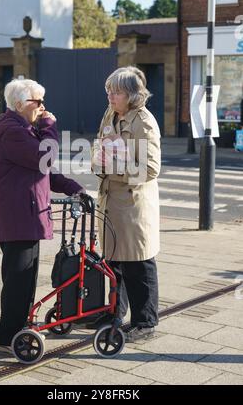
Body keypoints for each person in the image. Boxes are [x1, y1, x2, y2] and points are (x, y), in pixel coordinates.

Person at [0, 78, 83, 352]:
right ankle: (7, 336)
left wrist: (73, 187)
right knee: (18, 279)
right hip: (18, 215)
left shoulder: (23, 129)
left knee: (26, 276)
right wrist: (50, 127)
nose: (43, 107)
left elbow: (42, 170)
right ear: (19, 105)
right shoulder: (13, 132)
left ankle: (19, 326)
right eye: (37, 102)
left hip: (25, 213)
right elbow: (45, 159)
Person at [92, 66, 161, 342]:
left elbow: (151, 169)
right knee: (114, 263)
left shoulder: (143, 121)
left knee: (139, 265)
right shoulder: (110, 114)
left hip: (133, 205)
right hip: (110, 200)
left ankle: (145, 322)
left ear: (133, 95)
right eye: (109, 90)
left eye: (117, 91)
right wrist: (99, 160)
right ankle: (114, 313)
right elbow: (99, 146)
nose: (110, 95)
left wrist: (116, 166)